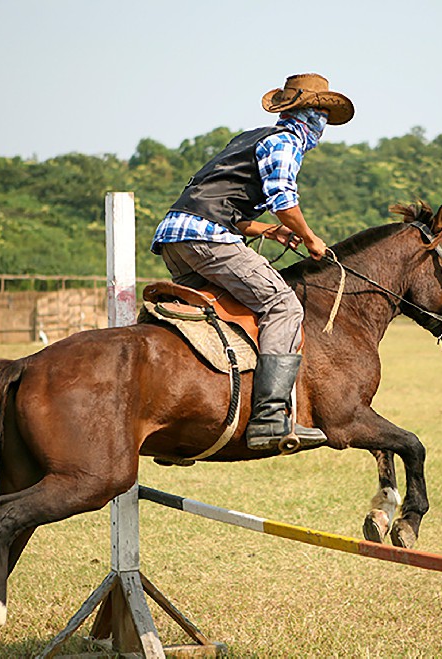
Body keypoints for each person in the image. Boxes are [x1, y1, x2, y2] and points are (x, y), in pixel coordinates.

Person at [150, 73, 354, 450]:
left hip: (175, 238)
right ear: (307, 113)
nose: (323, 122)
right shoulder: (285, 143)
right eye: (320, 112)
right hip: (208, 238)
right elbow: (284, 200)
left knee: (223, 312)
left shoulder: (250, 138)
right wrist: (310, 238)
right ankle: (269, 417)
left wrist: (265, 231)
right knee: (281, 304)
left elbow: (223, 200)